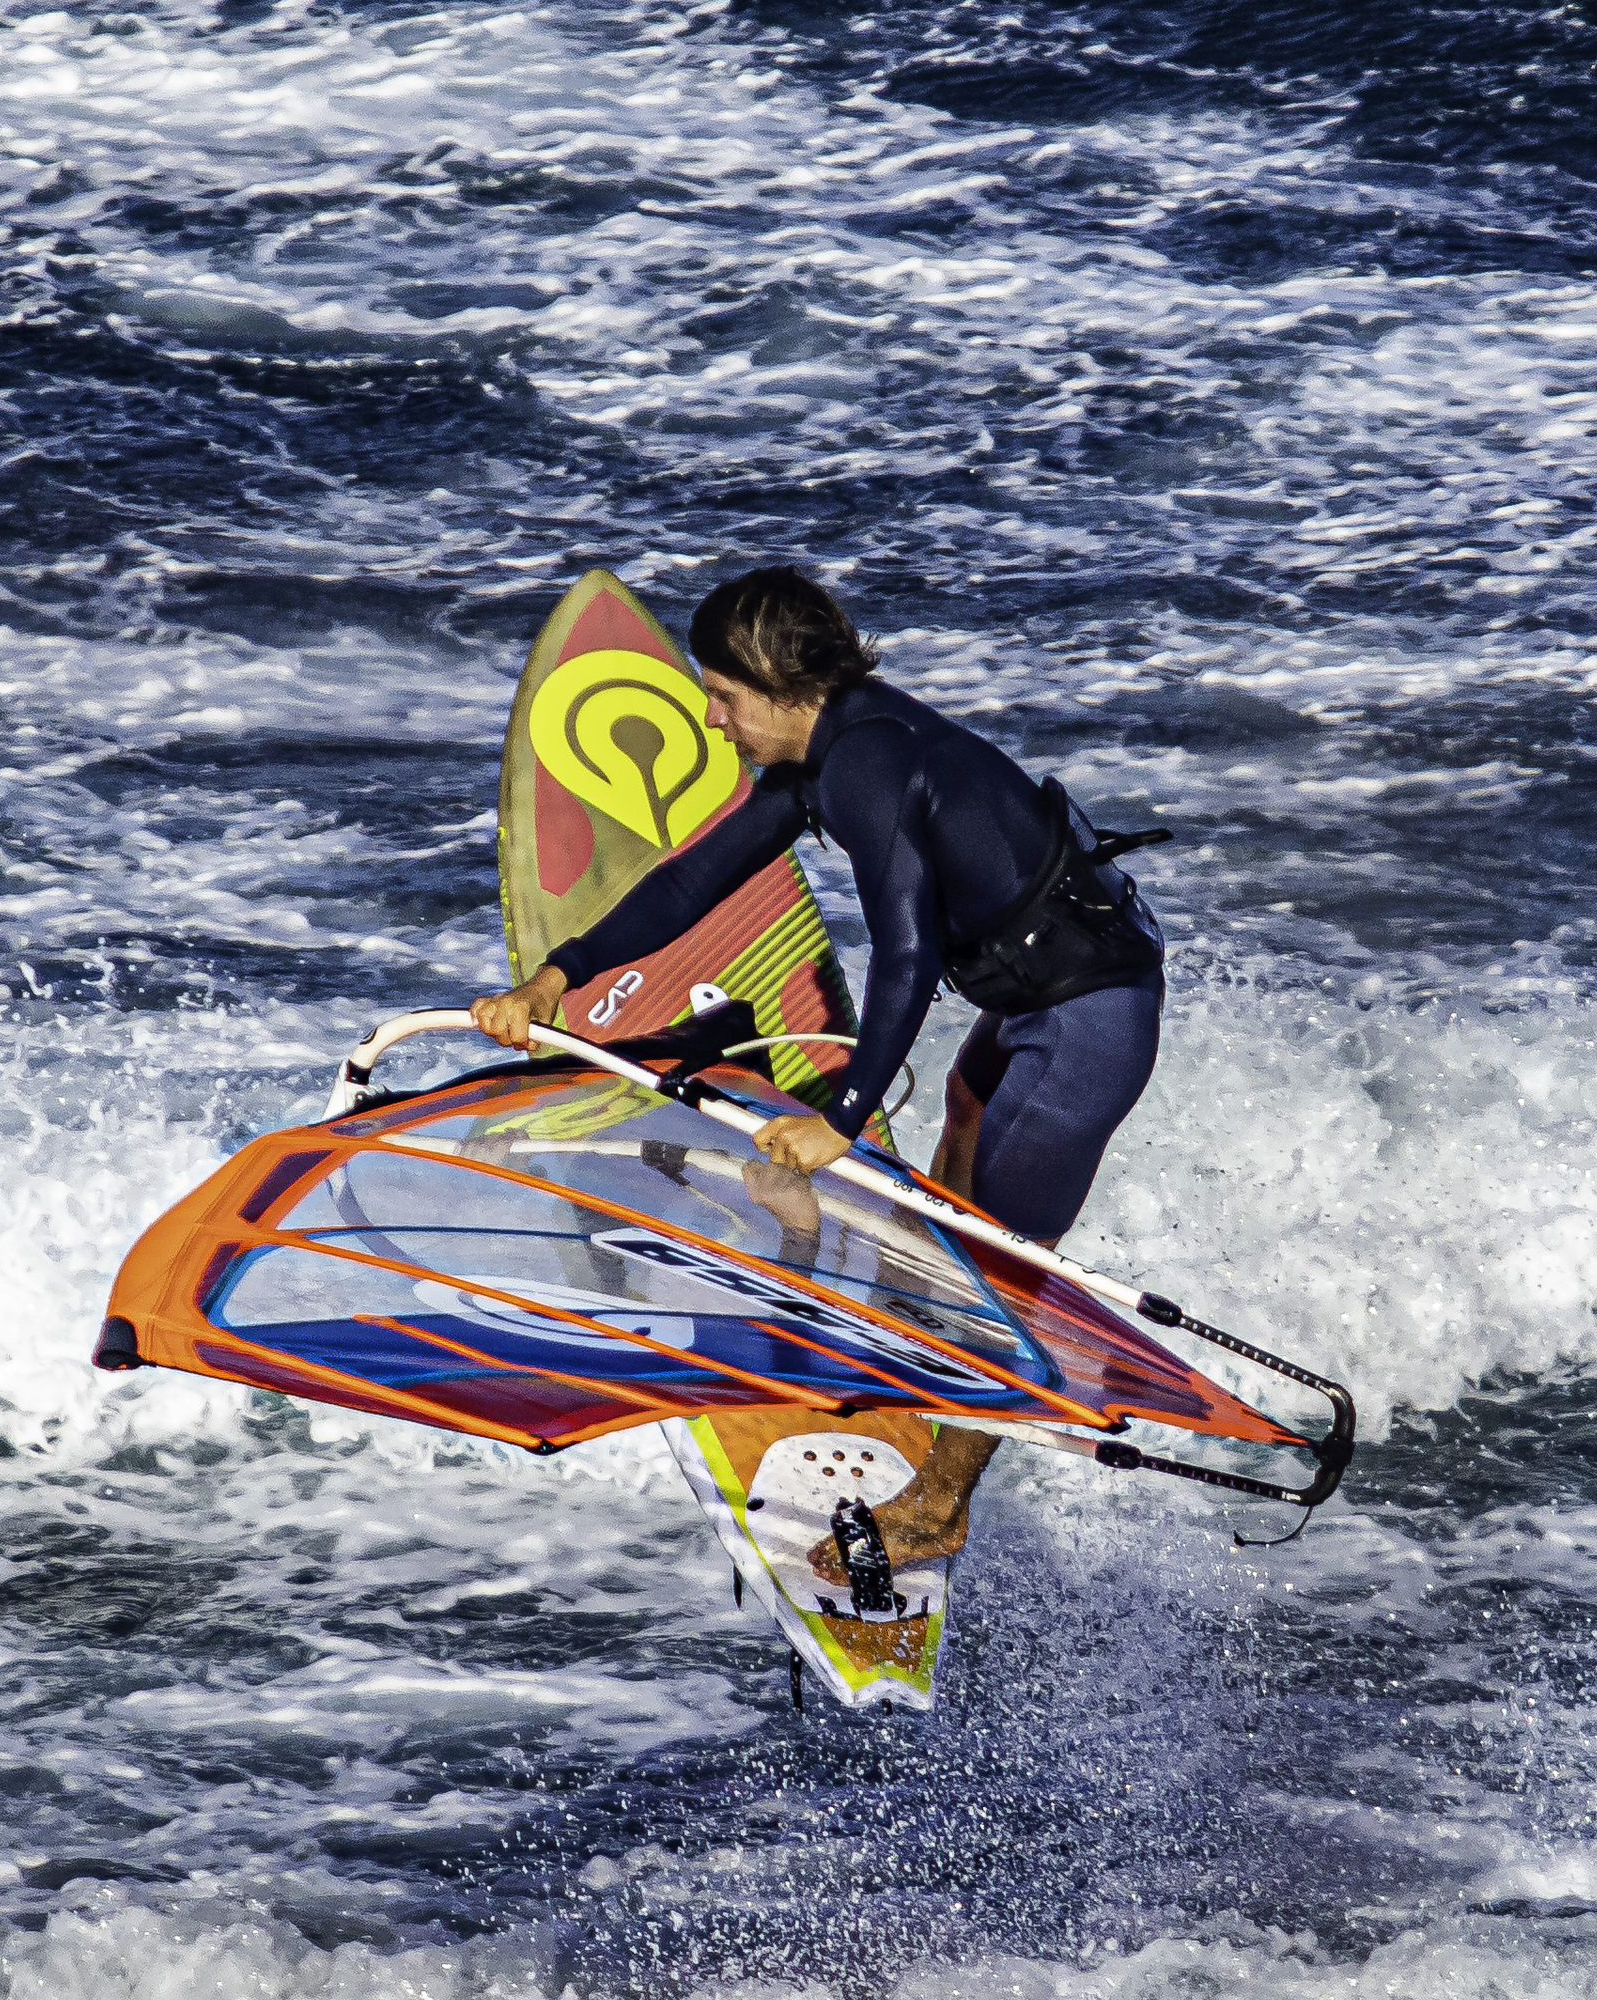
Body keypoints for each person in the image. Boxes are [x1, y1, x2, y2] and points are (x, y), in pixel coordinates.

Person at [471, 565, 1166, 1582]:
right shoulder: (824, 754)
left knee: (1006, 1274)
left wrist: (839, 1116)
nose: (711, 719)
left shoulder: (867, 764)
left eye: (724, 695)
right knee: (952, 1193)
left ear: (786, 684)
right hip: (1031, 1003)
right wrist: (555, 976)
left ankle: (936, 1507)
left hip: (1082, 1025)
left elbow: (904, 954)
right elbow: (691, 880)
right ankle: (917, 1363)